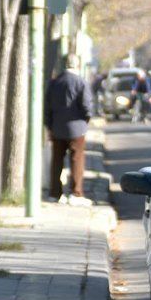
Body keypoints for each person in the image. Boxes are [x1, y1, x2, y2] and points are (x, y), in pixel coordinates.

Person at [44, 54, 93, 206]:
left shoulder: (54, 82)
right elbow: (86, 106)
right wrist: (86, 120)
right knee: (77, 160)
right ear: (77, 65)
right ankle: (76, 192)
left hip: (57, 127)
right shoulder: (81, 82)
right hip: (77, 128)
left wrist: (50, 125)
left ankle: (54, 193)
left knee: (57, 161)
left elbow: (47, 106)